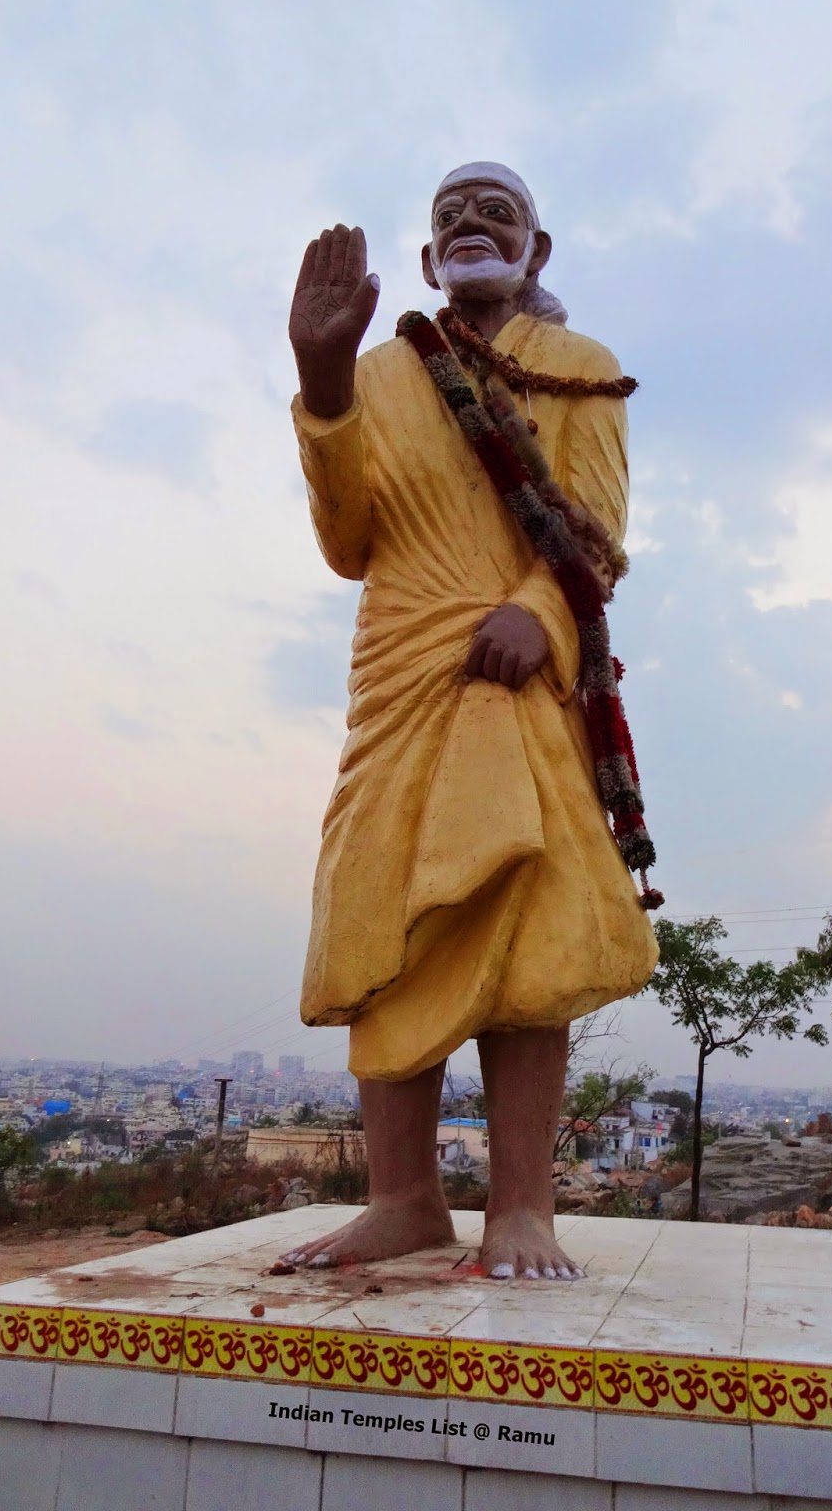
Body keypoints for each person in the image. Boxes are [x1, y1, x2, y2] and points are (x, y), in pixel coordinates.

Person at [278, 163, 658, 1280]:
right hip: (400, 665)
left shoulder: (579, 370)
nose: (472, 225)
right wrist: (323, 381)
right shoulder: (387, 371)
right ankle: (401, 1198)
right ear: (431, 259)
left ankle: (522, 1208)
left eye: (499, 212)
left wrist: (543, 614)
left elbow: (597, 535)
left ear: (536, 252)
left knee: (523, 923)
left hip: (516, 673)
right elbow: (349, 541)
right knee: (376, 910)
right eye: (451, 218)